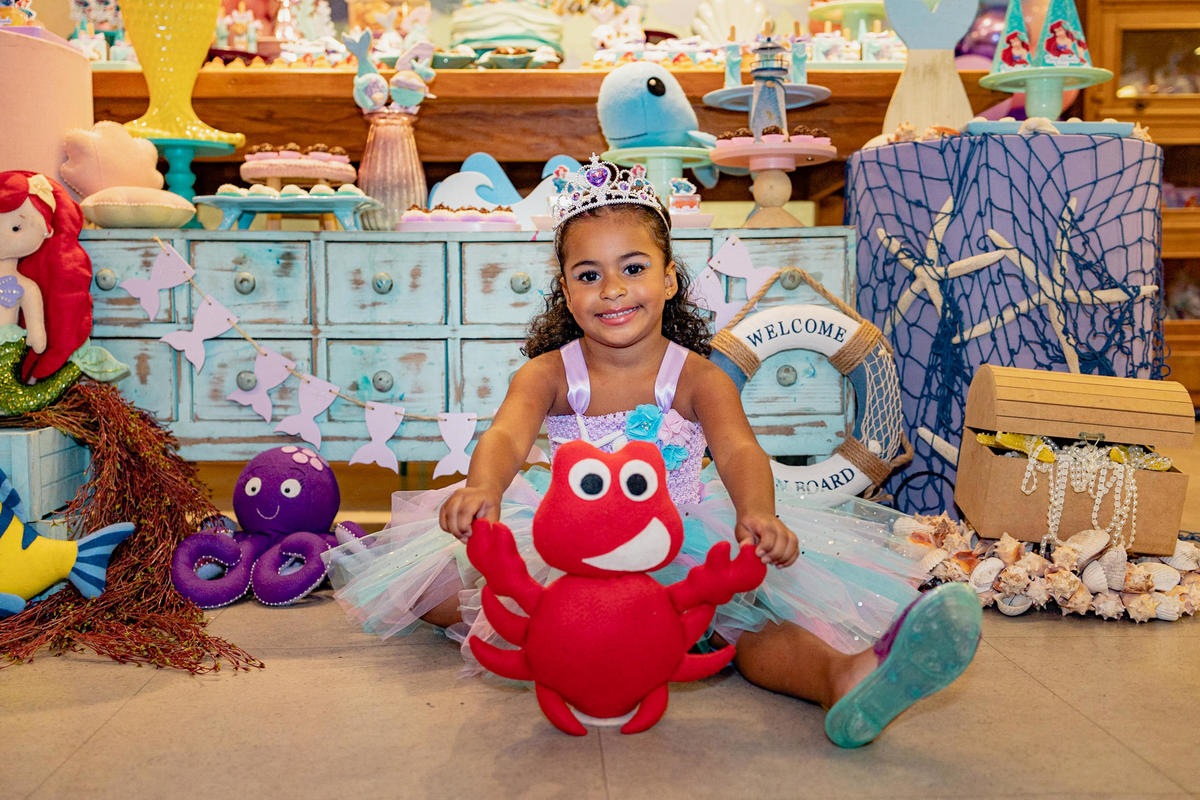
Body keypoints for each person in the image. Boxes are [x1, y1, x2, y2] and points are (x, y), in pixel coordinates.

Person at [324, 158, 981, 748]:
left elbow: (740, 450)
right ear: (566, 288)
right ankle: (557, 641)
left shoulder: (698, 377)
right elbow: (504, 436)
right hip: (571, 549)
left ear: (668, 279)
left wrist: (758, 511)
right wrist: (484, 489)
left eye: (632, 268)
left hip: (682, 540)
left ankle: (843, 677)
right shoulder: (549, 374)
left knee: (746, 623)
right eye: (590, 274)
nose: (612, 289)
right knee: (443, 588)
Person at [0, 171, 126, 415]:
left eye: (16, 227)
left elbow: (37, 336)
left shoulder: (26, 287)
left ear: (46, 231)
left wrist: (37, 335)